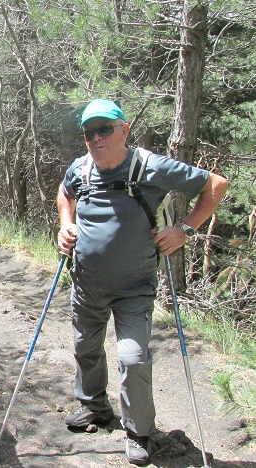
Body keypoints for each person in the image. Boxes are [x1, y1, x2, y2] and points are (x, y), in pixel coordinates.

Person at [56, 99, 229, 465]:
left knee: (133, 359)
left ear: (124, 130)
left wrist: (185, 229)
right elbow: (64, 193)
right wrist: (64, 224)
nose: (97, 137)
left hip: (135, 287)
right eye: (89, 132)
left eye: (105, 129)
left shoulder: (150, 167)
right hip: (86, 283)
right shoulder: (80, 169)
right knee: (85, 348)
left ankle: (139, 431)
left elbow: (215, 184)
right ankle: (94, 408)